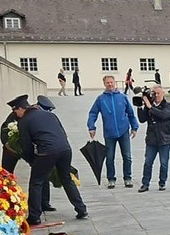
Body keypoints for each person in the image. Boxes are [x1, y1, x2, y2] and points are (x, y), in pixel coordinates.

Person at [9, 94, 87, 225]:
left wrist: (33, 161)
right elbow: (63, 133)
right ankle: (81, 209)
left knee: (36, 182)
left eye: (15, 111)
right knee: (66, 179)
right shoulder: (50, 115)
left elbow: (26, 145)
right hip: (65, 149)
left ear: (21, 108)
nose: (15, 114)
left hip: (47, 152)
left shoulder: (24, 121)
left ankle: (34, 216)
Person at [87, 75, 139, 189]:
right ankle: (111, 178)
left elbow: (130, 113)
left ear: (114, 83)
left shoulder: (122, 97)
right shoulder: (100, 99)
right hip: (109, 133)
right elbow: (93, 113)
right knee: (109, 157)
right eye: (107, 83)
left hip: (123, 131)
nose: (110, 84)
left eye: (111, 82)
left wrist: (134, 127)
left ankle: (127, 178)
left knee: (127, 156)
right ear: (104, 84)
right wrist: (91, 127)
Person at [136, 85, 170, 192]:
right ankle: (145, 184)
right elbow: (142, 119)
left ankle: (162, 182)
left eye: (158, 93)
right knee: (148, 162)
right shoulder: (149, 105)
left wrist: (150, 107)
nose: (156, 96)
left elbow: (163, 115)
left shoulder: (168, 106)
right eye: (154, 93)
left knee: (164, 163)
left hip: (165, 139)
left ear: (163, 94)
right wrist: (140, 106)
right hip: (151, 139)